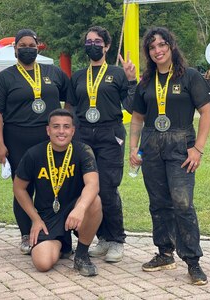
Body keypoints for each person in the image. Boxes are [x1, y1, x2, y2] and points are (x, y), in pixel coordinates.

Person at [129, 27, 210, 285]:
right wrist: (133, 148)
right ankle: (165, 253)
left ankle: (193, 261)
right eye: (152, 47)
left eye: (162, 45)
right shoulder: (146, 81)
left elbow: (207, 111)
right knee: (158, 203)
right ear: (149, 52)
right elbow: (137, 117)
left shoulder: (189, 76)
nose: (158, 50)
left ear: (171, 46)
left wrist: (197, 148)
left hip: (181, 144)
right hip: (151, 145)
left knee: (183, 204)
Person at [0, 29, 70, 255]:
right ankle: (26, 233)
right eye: (22, 45)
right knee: (23, 186)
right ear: (14, 49)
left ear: (38, 46)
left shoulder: (53, 72)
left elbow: (70, 99)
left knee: (55, 185)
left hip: (51, 140)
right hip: (17, 140)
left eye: (31, 45)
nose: (27, 49)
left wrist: (67, 128)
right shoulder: (4, 78)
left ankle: (55, 231)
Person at [65, 26, 137, 263]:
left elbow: (132, 106)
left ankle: (116, 239)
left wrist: (132, 80)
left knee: (106, 188)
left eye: (97, 41)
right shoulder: (77, 75)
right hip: (83, 135)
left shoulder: (117, 73)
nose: (92, 45)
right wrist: (67, 134)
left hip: (110, 134)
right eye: (89, 41)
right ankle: (102, 238)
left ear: (106, 46)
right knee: (87, 188)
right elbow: (71, 109)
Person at [13, 109, 102, 276]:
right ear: (48, 130)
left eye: (66, 127)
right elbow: (18, 188)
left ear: (73, 130)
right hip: (48, 216)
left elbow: (93, 184)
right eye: (56, 127)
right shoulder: (34, 154)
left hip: (75, 211)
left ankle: (82, 256)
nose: (61, 131)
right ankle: (62, 244)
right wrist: (35, 219)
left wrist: (80, 208)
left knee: (94, 201)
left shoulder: (83, 150)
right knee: (42, 263)